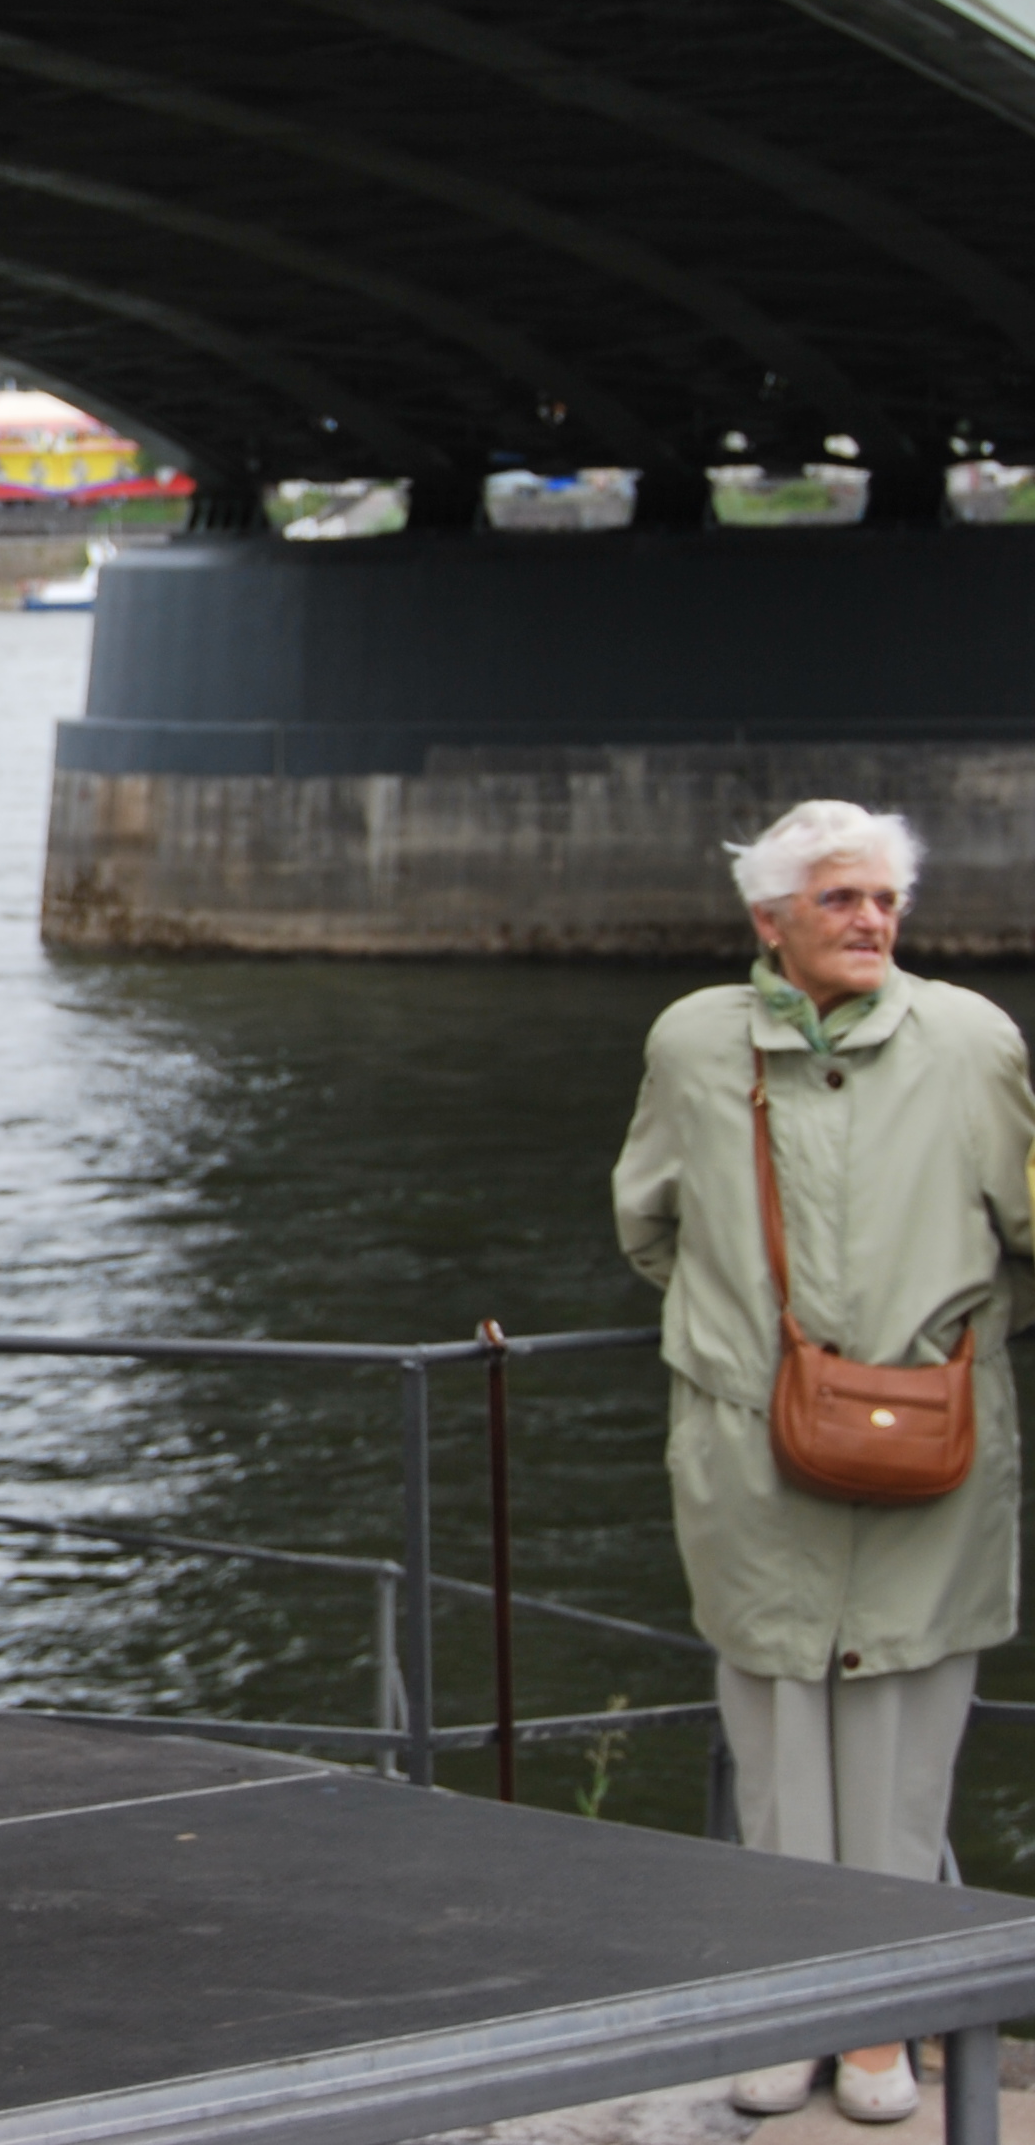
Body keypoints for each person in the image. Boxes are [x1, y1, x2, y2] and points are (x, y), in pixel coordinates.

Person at [614, 799, 1035, 2126]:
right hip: (751, 1449)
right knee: (776, 1733)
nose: (871, 921)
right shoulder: (693, 1042)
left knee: (907, 1748)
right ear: (770, 920)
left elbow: (1024, 1229)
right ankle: (791, 2013)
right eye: (840, 898)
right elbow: (649, 1221)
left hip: (936, 1445)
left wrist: (929, 1360)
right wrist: (756, 1354)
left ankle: (882, 2032)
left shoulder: (973, 1041)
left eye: (885, 899)